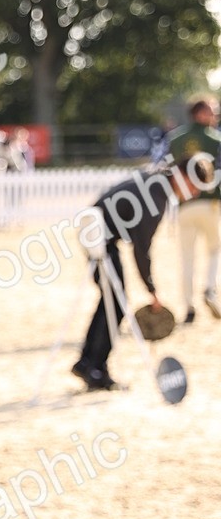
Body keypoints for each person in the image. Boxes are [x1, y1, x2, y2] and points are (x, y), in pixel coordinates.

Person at [72, 156, 215, 391]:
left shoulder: (157, 182)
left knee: (111, 301)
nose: (194, 194)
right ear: (186, 177)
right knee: (116, 302)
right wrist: (151, 289)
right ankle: (93, 367)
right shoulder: (157, 196)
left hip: (95, 232)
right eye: (194, 187)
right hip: (100, 238)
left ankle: (88, 362)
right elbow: (141, 248)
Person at [162, 94, 221, 323]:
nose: (214, 114)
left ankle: (187, 306)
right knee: (215, 249)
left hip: (184, 204)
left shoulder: (175, 138)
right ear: (200, 112)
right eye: (212, 110)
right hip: (209, 203)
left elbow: (164, 168)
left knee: (186, 257)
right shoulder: (216, 139)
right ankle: (209, 287)